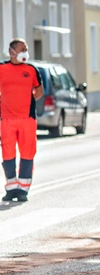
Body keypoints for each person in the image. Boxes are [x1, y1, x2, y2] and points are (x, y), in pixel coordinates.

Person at [0, 39, 44, 202]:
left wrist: (27, 98)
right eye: (22, 49)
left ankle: (23, 189)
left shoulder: (31, 70)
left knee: (27, 154)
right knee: (8, 154)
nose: (25, 52)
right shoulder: (2, 69)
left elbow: (39, 90)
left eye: (26, 49)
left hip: (27, 119)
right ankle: (11, 187)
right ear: (11, 51)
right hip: (7, 119)